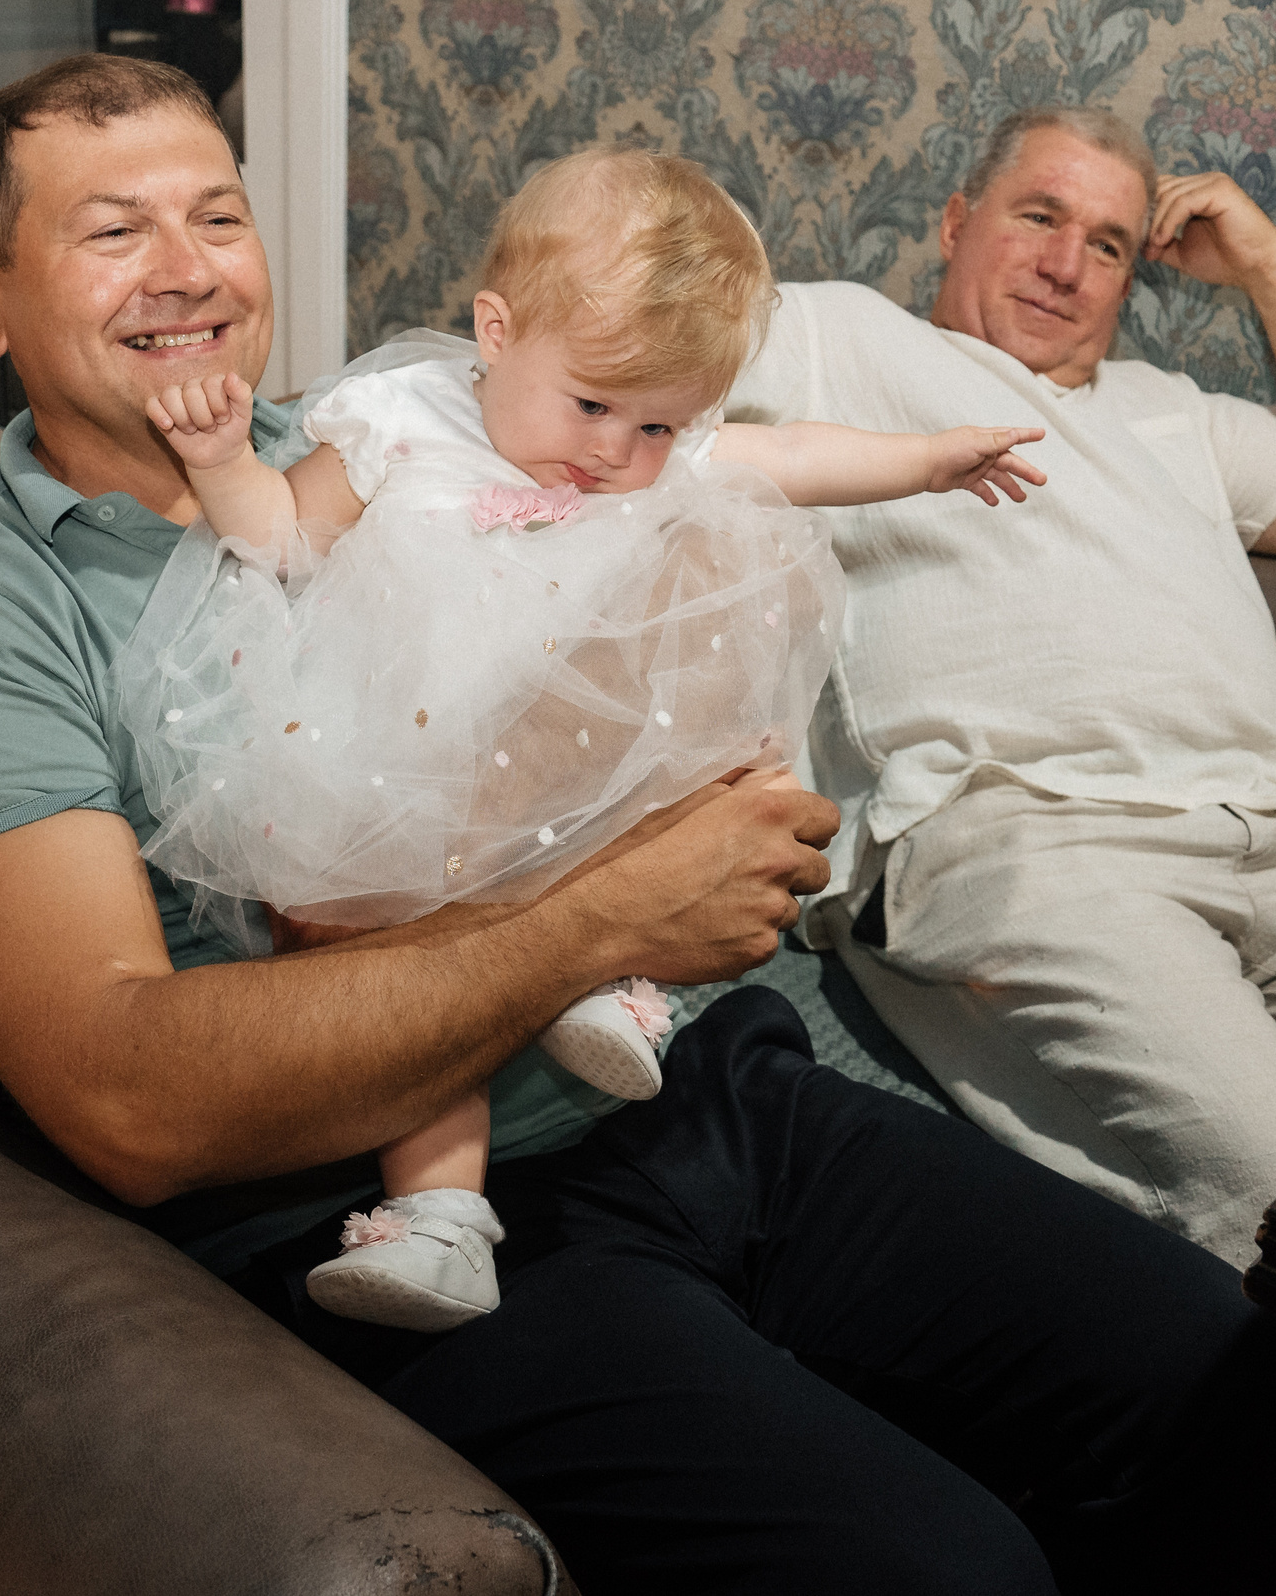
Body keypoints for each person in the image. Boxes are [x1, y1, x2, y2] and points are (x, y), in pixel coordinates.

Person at [0, 55, 1276, 1594]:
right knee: (949, 1571)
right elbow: (127, 1100)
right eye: (113, 230)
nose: (188, 268)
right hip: (392, 1201)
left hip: (701, 1080)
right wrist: (609, 916)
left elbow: (676, 540)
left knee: (1217, 1358)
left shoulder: (409, 432)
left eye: (217, 216)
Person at [723, 105, 1276, 1596]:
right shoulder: (830, 336)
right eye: (1037, 215)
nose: (1068, 264)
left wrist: (1262, 259)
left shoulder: (1175, 415)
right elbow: (594, 353)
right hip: (1017, 838)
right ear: (954, 220)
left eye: (1112, 244)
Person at [123, 146, 1041, 1332]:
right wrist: (222, 464)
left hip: (571, 768)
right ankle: (442, 1220)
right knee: (405, 969)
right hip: (407, 767)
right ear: (496, 330)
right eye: (594, 405)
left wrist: (924, 462)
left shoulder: (655, 451)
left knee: (699, 720)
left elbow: (794, 457)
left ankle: (617, 982)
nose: (615, 453)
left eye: (658, 423)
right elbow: (284, 536)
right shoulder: (399, 420)